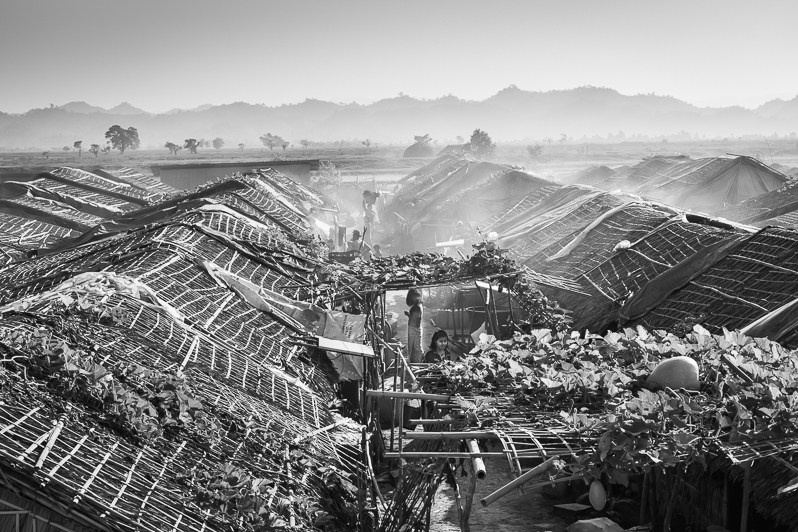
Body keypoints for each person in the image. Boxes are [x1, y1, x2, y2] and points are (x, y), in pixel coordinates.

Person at [405, 288, 423, 363]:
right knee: (415, 347)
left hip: (414, 328)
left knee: (415, 348)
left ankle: (417, 363)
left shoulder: (417, 307)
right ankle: (415, 362)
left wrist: (408, 314)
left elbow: (415, 320)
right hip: (415, 328)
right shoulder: (418, 304)